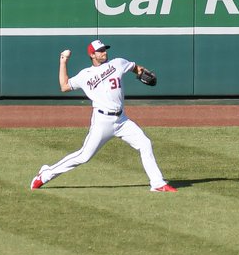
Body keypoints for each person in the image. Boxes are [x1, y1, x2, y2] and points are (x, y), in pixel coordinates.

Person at [30, 39, 176, 192]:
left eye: (104, 49)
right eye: (100, 50)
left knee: (145, 144)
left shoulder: (117, 63)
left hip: (122, 120)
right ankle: (46, 174)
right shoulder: (85, 75)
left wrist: (141, 72)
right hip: (102, 121)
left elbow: (134, 67)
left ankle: (158, 183)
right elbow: (64, 86)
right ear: (92, 55)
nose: (104, 52)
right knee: (84, 156)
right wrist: (63, 61)